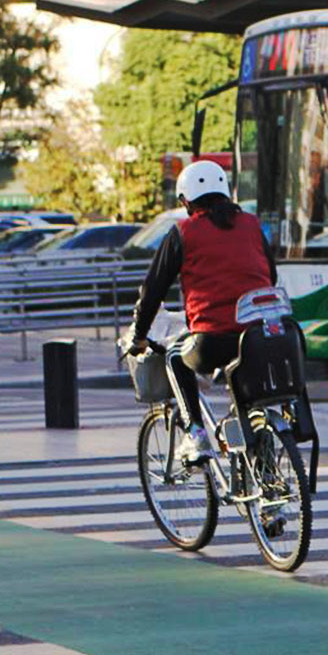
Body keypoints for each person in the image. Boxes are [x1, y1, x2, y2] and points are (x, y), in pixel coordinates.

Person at [124, 159, 278, 460]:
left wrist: (139, 336)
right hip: (260, 335)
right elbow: (269, 276)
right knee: (248, 398)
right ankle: (264, 468)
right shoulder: (251, 224)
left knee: (174, 357)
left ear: (186, 201)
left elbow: (153, 289)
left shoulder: (184, 232)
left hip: (212, 339)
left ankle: (195, 435)